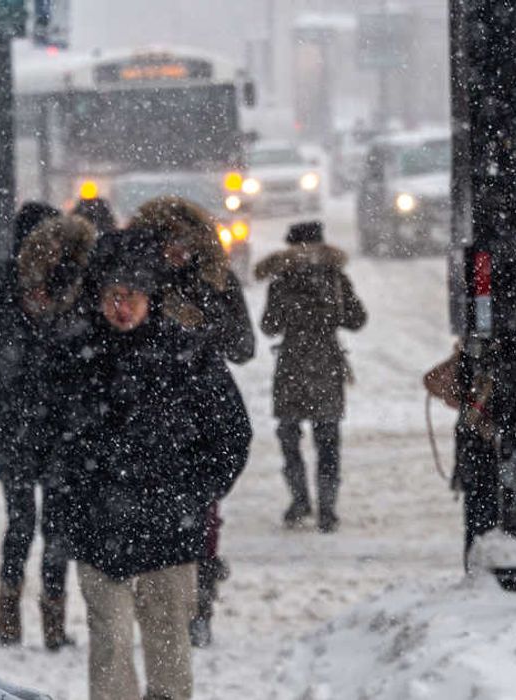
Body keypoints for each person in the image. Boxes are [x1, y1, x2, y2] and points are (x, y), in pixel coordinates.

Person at [55, 229, 250, 700]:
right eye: (113, 297)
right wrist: (73, 499)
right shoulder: (78, 356)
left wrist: (197, 490)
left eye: (132, 297)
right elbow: (53, 440)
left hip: (170, 525)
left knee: (168, 646)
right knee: (112, 643)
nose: (122, 307)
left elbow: (232, 433)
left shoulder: (188, 355)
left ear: (151, 297)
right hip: (99, 526)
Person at [127, 196, 255, 648]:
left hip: (201, 405)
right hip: (146, 404)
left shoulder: (214, 283)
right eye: (167, 243)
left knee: (201, 513)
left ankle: (198, 603)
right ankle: (158, 602)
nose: (176, 252)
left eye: (184, 243)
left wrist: (201, 324)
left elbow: (243, 346)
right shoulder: (136, 284)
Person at [0, 201, 80, 649]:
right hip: (27, 418)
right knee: (25, 523)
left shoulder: (68, 282)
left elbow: (79, 345)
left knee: (52, 525)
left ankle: (49, 619)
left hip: (42, 420)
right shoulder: (4, 278)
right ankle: (12, 615)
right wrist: (25, 318)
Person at [256, 221, 366, 532]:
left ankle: (300, 500)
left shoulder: (281, 281)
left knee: (289, 437)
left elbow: (269, 326)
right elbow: (357, 319)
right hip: (326, 364)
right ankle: (328, 509)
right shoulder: (335, 278)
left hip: (291, 366)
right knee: (328, 439)